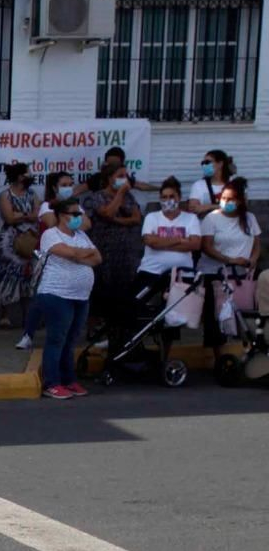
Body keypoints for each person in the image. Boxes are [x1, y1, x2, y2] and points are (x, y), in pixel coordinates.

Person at [36, 196, 100, 400]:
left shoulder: (81, 235)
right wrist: (83, 254)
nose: (79, 217)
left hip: (80, 296)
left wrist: (80, 253)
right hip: (57, 294)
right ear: (62, 216)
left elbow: (97, 258)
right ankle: (51, 382)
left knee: (71, 340)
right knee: (57, 339)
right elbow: (68, 253)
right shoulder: (50, 235)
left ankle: (68, 379)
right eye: (75, 214)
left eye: (79, 214)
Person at [135, 177, 203, 351]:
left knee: (173, 318)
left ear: (179, 198)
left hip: (180, 276)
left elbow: (195, 244)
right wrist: (181, 240)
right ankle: (136, 347)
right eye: (163, 197)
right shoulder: (152, 217)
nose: (167, 201)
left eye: (171, 196)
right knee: (136, 309)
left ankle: (165, 353)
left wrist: (162, 241)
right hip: (150, 272)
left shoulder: (190, 219)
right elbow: (150, 242)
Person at [85, 159, 144, 348]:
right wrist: (119, 193)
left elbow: (136, 218)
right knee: (100, 295)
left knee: (124, 296)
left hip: (126, 256)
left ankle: (121, 334)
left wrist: (119, 221)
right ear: (109, 178)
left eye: (125, 176)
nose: (124, 180)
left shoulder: (130, 198)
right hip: (104, 256)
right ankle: (97, 332)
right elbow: (107, 213)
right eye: (119, 176)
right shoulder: (97, 197)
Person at [199, 177, 261, 357]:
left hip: (243, 275)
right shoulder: (212, 218)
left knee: (247, 312)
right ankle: (219, 356)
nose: (226, 202)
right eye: (223, 198)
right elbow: (207, 247)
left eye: (231, 199)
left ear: (240, 201)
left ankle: (250, 350)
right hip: (216, 273)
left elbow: (257, 243)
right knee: (215, 315)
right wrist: (230, 260)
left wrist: (253, 259)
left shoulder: (250, 218)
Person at [0, 162, 40, 338]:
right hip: (9, 242)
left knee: (29, 275)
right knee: (7, 274)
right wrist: (25, 215)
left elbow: (37, 214)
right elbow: (9, 217)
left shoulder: (32, 194)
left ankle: (27, 316)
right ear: (20, 176)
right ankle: (5, 315)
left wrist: (19, 214)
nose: (30, 175)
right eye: (27, 173)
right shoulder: (5, 195)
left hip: (29, 238)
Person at [188, 150, 235, 218]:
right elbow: (193, 208)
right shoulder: (198, 185)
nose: (204, 165)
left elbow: (239, 206)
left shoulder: (234, 183)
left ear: (220, 164)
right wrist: (224, 207)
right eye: (203, 163)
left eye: (207, 162)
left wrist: (208, 207)